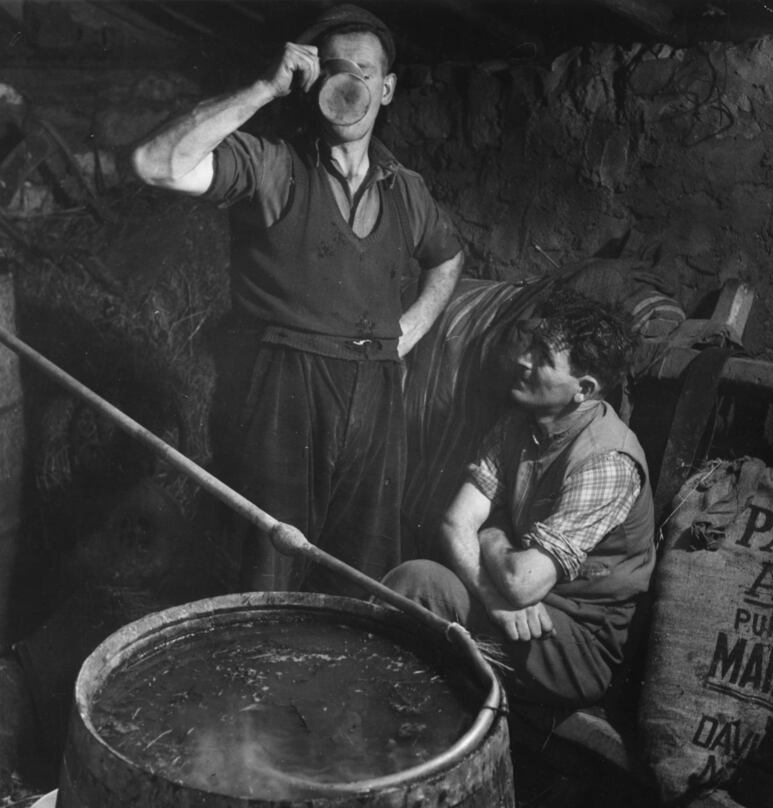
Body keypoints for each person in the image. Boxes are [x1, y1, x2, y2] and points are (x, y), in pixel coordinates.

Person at [131, 4, 463, 595]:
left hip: (376, 388)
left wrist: (408, 329)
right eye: (337, 68)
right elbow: (155, 164)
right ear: (313, 80)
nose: (351, 81)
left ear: (385, 89)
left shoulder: (405, 188)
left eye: (365, 70)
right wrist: (264, 88)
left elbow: (448, 256)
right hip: (283, 379)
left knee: (361, 565)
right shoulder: (273, 164)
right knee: (267, 558)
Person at [383, 295, 655, 712]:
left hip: (575, 644)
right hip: (517, 613)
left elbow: (523, 582)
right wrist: (492, 597)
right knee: (415, 588)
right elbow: (453, 524)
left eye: (543, 357)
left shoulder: (607, 462)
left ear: (583, 389)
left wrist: (490, 528)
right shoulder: (517, 424)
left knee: (420, 586)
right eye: (530, 347)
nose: (523, 361)